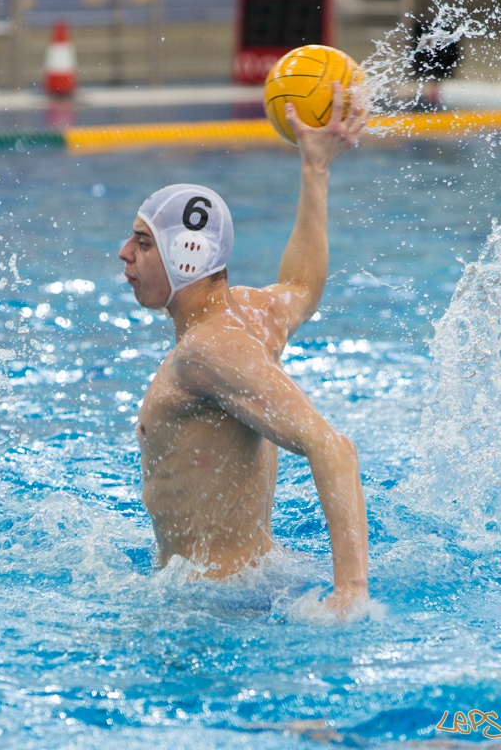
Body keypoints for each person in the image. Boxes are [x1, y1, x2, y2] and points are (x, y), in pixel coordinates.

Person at [118, 84, 370, 618]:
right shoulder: (250, 315)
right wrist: (315, 169)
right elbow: (302, 285)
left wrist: (351, 591)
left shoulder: (207, 353)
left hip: (212, 610)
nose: (124, 255)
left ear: (184, 256)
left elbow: (332, 448)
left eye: (143, 243)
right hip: (259, 579)